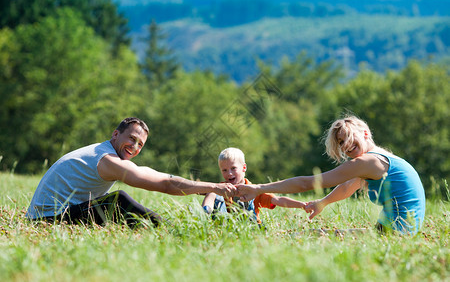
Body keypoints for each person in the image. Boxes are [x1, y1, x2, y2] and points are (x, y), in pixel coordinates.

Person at [26, 117, 236, 227]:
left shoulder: (107, 153)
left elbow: (163, 177)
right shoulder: (107, 159)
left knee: (113, 203)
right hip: (48, 219)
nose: (135, 147)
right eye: (132, 139)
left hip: (54, 214)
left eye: (140, 144)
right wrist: (214, 187)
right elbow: (165, 184)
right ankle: (167, 229)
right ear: (116, 134)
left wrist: (211, 189)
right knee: (118, 201)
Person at [237, 115, 426, 234]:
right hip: (401, 230)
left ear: (366, 133)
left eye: (350, 137)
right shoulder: (377, 159)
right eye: (341, 142)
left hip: (398, 233)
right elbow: (347, 187)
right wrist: (322, 203)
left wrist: (258, 188)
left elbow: (307, 183)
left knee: (308, 236)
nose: (346, 145)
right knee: (317, 234)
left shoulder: (367, 162)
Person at [202, 148, 306, 225]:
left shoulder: (254, 190)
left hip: (250, 227)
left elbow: (278, 200)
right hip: (226, 227)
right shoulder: (221, 188)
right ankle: (204, 212)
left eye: (233, 168)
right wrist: (207, 207)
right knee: (213, 192)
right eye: (224, 170)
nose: (229, 173)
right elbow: (210, 195)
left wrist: (302, 205)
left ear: (244, 168)